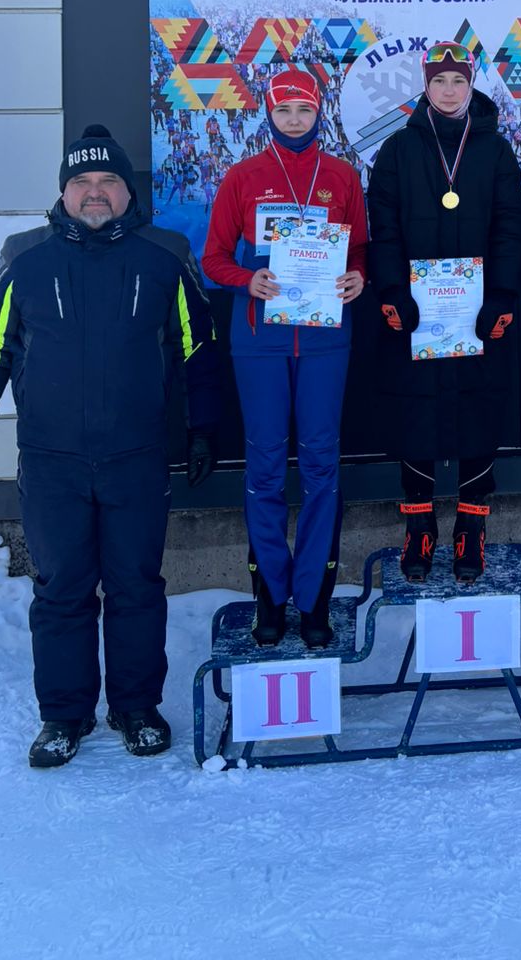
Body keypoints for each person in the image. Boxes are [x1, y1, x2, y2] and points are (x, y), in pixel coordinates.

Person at [0, 124, 222, 769]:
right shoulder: (24, 257)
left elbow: (199, 350)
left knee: (136, 588)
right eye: (82, 182)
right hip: (52, 462)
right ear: (64, 192)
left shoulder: (165, 254)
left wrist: (204, 429)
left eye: (108, 181)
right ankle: (64, 715)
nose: (95, 192)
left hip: (136, 457)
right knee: (61, 591)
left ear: (127, 192)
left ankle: (136, 707)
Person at [202, 68, 367, 648]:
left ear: (319, 112)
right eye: (283, 111)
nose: (294, 121)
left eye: (304, 110)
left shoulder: (342, 176)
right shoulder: (243, 177)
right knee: (266, 465)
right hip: (260, 343)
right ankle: (270, 595)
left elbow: (360, 250)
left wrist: (357, 277)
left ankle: (315, 597)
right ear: (268, 114)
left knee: (322, 465)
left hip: (324, 340)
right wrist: (247, 280)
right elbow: (213, 259)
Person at [367, 43, 521, 583]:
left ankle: (470, 527)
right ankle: (419, 526)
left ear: (471, 84)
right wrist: (391, 290)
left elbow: (509, 226)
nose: (449, 91)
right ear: (426, 86)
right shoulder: (397, 150)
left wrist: (502, 295)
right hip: (417, 314)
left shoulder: (496, 150)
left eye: (458, 81)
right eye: (439, 81)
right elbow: (384, 226)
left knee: (479, 411)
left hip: (477, 312)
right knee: (416, 414)